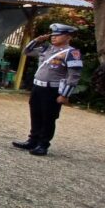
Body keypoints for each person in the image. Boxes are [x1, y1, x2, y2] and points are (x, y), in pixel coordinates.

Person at [12, 23, 83, 156]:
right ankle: (32, 140)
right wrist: (36, 40)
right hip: (38, 87)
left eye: (58, 35)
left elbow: (74, 75)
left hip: (53, 89)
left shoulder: (72, 53)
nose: (54, 37)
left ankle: (43, 144)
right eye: (53, 35)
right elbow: (26, 52)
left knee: (48, 117)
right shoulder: (46, 49)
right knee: (36, 114)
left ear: (68, 37)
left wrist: (65, 94)